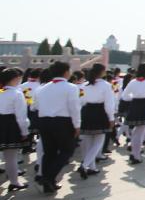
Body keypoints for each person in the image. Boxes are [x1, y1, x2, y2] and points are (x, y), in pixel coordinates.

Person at [33, 61, 81, 193]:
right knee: (67, 150)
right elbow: (74, 108)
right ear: (66, 72)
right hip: (62, 122)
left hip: (44, 121)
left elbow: (34, 106)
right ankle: (48, 177)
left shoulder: (41, 88)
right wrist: (77, 125)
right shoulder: (71, 87)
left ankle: (48, 182)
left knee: (49, 152)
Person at [78, 64, 115, 178]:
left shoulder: (84, 85)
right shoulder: (106, 85)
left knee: (88, 142)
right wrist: (111, 118)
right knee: (98, 141)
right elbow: (109, 103)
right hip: (100, 112)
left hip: (87, 111)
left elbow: (81, 101)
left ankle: (92, 167)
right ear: (102, 72)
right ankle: (85, 165)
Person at [0, 67, 30, 192]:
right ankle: (14, 182)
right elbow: (21, 116)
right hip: (10, 125)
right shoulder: (17, 94)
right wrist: (24, 132)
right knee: (11, 157)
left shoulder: (1, 91)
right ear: (15, 79)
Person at [122, 63, 145, 164]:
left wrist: (133, 98)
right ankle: (135, 155)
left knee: (136, 131)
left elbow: (124, 96)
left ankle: (134, 152)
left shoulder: (133, 81)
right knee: (140, 132)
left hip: (134, 105)